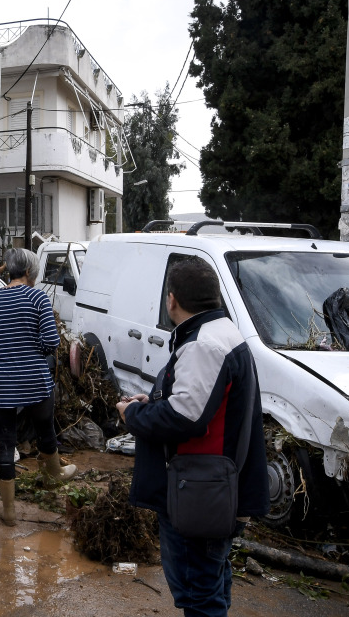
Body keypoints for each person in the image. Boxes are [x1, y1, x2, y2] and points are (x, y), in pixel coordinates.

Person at [115, 257, 269, 617]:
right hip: (214, 486)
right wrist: (154, 400)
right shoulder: (222, 332)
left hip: (200, 492)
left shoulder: (204, 344)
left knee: (198, 593)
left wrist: (133, 414)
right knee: (211, 583)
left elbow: (185, 417)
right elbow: (199, 401)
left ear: (172, 300)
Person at [0, 248, 72, 527]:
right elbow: (51, 342)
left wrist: (2, 350)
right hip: (33, 379)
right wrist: (29, 350)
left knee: (4, 444)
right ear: (28, 272)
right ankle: (54, 476)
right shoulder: (37, 297)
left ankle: (9, 511)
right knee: (45, 430)